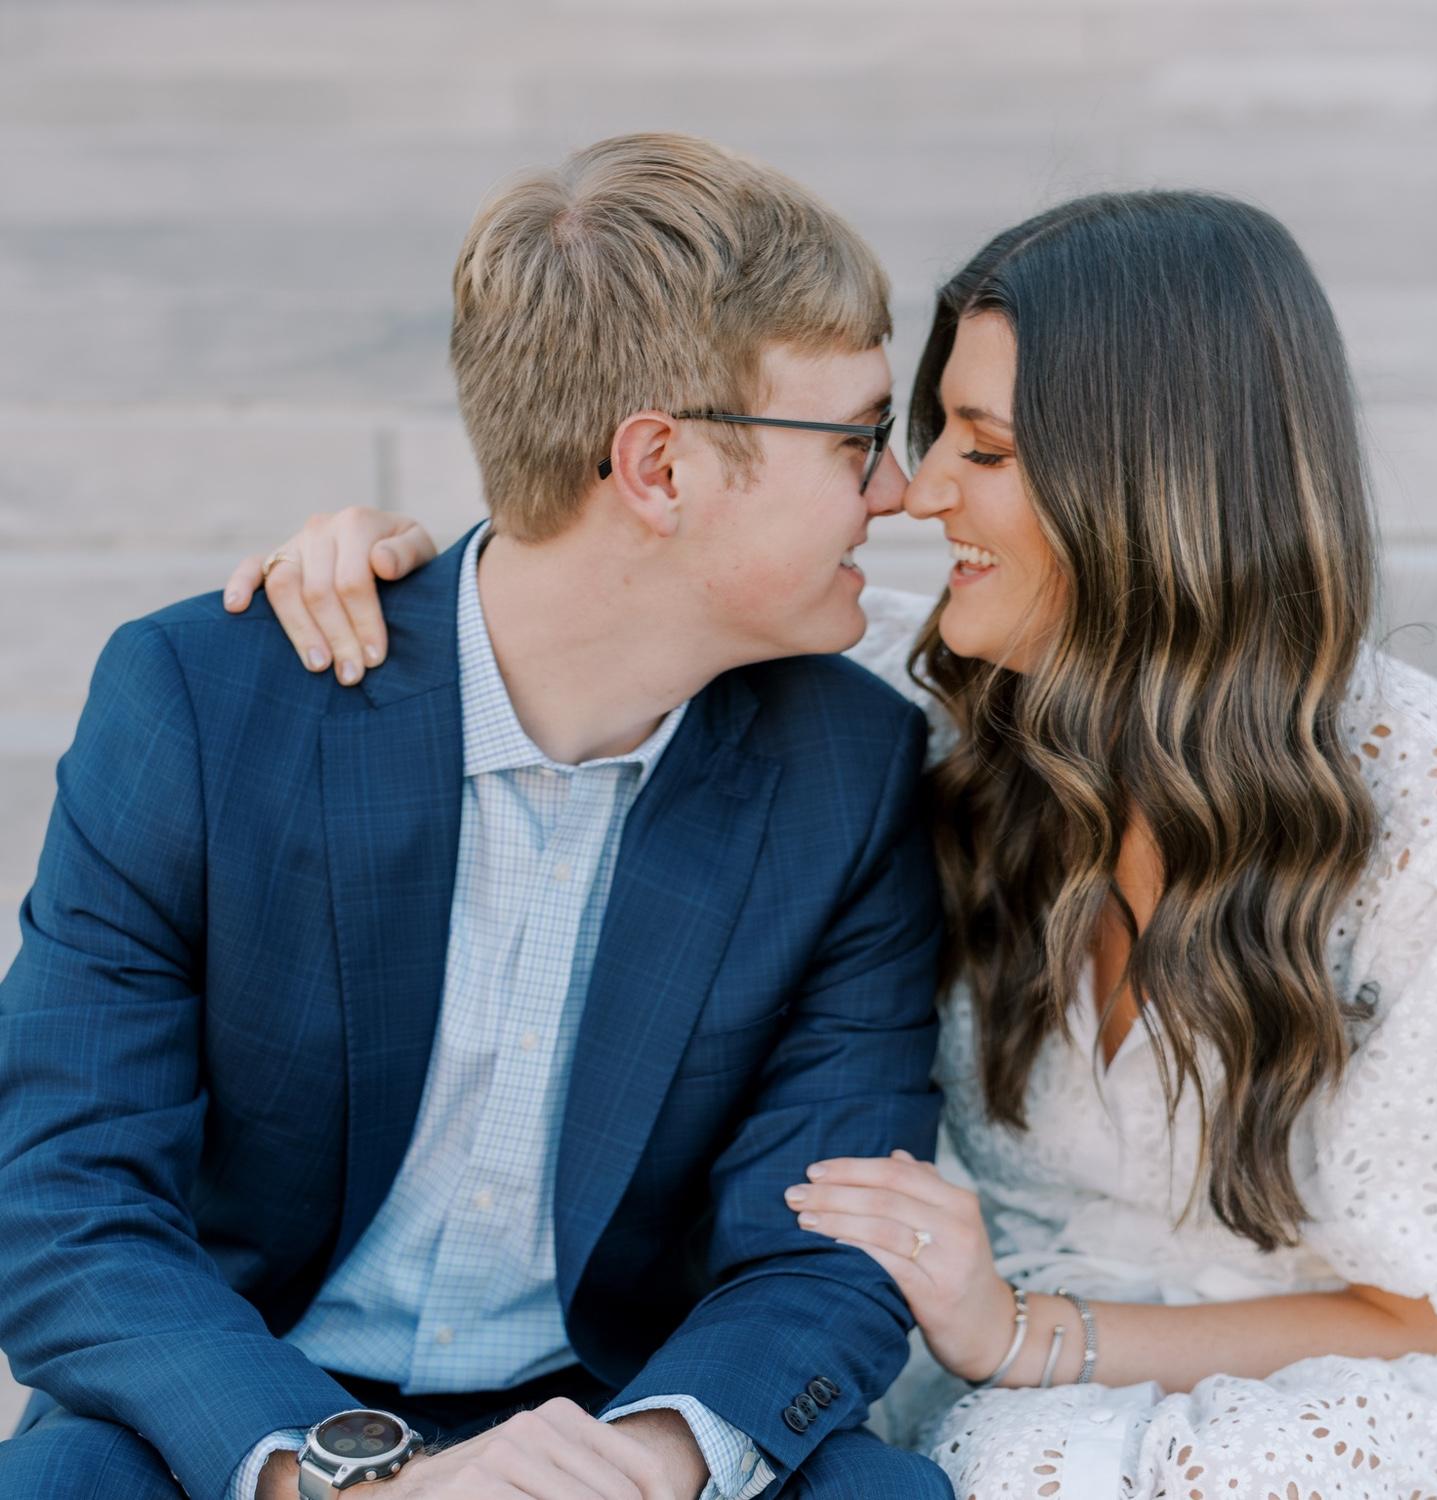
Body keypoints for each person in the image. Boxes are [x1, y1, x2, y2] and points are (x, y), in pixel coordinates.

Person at [249, 190, 1437, 1498]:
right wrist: (384, 572)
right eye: (926, 433)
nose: (919, 492)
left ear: (1158, 488)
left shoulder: (1423, 816)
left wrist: (1023, 1335)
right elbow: (624, 600)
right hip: (957, 1350)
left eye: (986, 451)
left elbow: (1427, 1315)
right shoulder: (924, 697)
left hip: (1294, 1384)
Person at [0, 134, 958, 1500]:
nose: (897, 489)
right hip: (252, 1406)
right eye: (859, 438)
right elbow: (63, 1197)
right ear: (660, 467)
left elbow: (824, 1245)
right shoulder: (205, 702)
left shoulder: (849, 769)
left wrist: (647, 1464)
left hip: (620, 1408)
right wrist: (355, 1484)